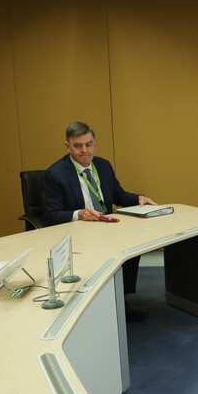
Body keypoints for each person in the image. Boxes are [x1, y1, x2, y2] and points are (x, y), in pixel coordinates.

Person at [42, 121, 155, 317]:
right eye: (78, 146)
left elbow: (118, 195)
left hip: (107, 225)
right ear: (67, 146)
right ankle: (95, 309)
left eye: (89, 144)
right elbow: (50, 215)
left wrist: (138, 199)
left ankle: (122, 301)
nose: (84, 150)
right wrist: (79, 214)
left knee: (132, 245)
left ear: (94, 144)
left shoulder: (102, 165)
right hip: (79, 231)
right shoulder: (55, 174)